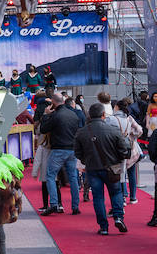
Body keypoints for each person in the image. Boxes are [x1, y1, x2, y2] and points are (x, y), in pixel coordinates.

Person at [75, 102, 129, 235]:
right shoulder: (113, 129)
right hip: (112, 167)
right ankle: (118, 217)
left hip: (93, 167)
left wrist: (86, 160)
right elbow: (123, 149)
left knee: (98, 197)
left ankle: (103, 226)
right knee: (116, 193)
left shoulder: (82, 132)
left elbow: (77, 152)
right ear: (103, 115)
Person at [39, 93, 82, 216]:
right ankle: (75, 206)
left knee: (50, 176)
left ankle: (53, 204)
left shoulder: (55, 115)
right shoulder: (73, 114)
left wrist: (46, 115)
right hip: (72, 149)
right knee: (73, 177)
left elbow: (43, 129)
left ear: (53, 102)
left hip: (58, 148)